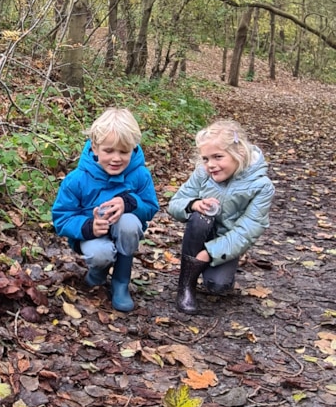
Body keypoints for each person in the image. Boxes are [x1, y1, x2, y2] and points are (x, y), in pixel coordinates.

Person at [52, 108, 159, 312]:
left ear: (133, 148)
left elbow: (151, 207)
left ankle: (121, 282)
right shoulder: (77, 179)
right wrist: (88, 226)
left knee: (129, 223)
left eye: (124, 152)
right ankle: (97, 273)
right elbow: (61, 218)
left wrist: (130, 202)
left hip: (124, 231)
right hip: (93, 237)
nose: (116, 158)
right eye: (109, 151)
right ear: (95, 148)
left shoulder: (140, 175)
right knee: (100, 254)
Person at [168, 118, 274, 314]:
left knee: (217, 286)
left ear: (239, 153)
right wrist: (193, 204)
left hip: (227, 241)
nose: (211, 165)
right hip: (199, 233)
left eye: (218, 157)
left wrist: (210, 252)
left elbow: (247, 231)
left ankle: (210, 268)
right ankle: (186, 283)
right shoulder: (202, 174)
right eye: (206, 159)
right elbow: (175, 203)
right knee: (201, 218)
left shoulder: (262, 186)